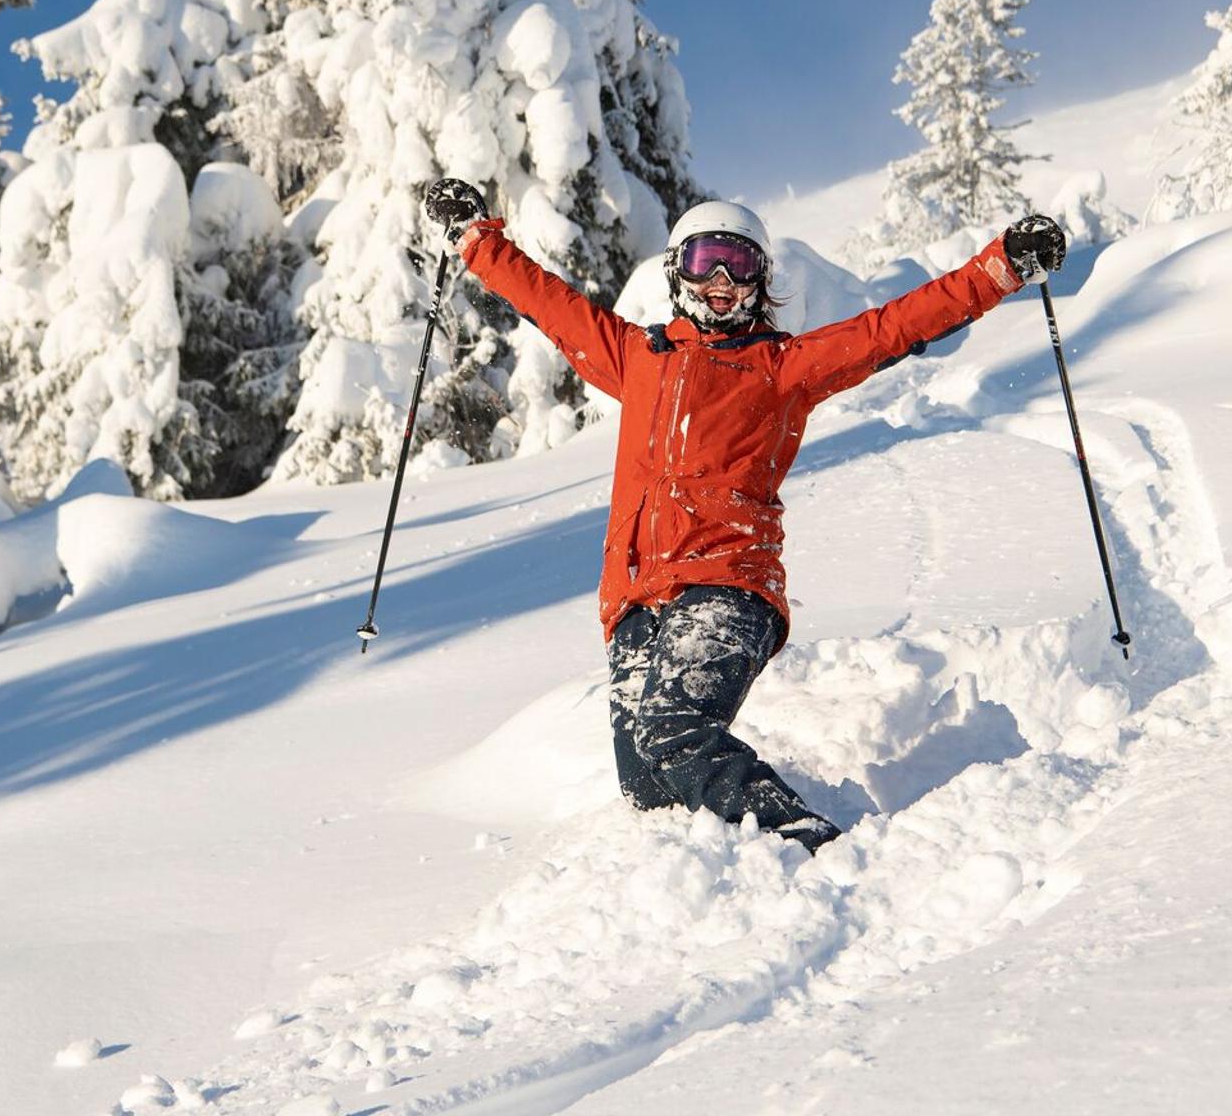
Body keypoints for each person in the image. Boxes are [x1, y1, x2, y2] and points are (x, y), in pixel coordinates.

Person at [423, 179, 1067, 852]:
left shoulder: (782, 367)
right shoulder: (636, 358)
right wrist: (474, 238)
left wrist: (1000, 267)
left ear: (761, 280)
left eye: (740, 264)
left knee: (673, 731)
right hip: (635, 599)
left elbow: (895, 326)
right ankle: (738, 864)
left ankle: (810, 841)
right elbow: (547, 301)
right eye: (706, 262)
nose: (722, 281)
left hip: (728, 585)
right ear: (677, 272)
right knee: (647, 781)